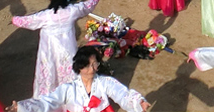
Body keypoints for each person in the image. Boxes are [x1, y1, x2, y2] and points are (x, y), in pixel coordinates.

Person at [12, 0, 104, 97]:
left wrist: (14, 19)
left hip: (49, 55)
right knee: (71, 76)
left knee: (49, 77)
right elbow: (89, 5)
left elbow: (24, 21)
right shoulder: (73, 11)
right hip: (68, 53)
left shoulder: (44, 16)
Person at [9, 46, 150, 112]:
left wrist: (138, 102)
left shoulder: (104, 83)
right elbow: (47, 101)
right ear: (79, 68)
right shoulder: (68, 89)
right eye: (88, 66)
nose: (92, 69)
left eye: (95, 64)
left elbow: (122, 94)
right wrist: (22, 107)